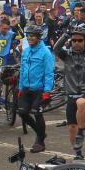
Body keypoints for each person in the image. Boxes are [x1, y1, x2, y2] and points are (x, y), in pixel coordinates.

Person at [54, 27, 85, 155]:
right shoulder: (66, 55)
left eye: (80, 40)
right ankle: (78, 154)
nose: (77, 43)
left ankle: (81, 133)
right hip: (72, 93)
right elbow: (56, 49)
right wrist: (65, 34)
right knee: (71, 128)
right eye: (74, 40)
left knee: (81, 103)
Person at [16, 24, 54, 153]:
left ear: (39, 37)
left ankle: (40, 141)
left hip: (39, 90)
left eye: (32, 36)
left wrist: (47, 91)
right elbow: (22, 71)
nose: (29, 38)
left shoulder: (46, 53)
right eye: (28, 36)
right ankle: (41, 133)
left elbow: (49, 73)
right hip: (26, 88)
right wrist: (20, 87)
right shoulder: (26, 52)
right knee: (22, 112)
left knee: (37, 113)